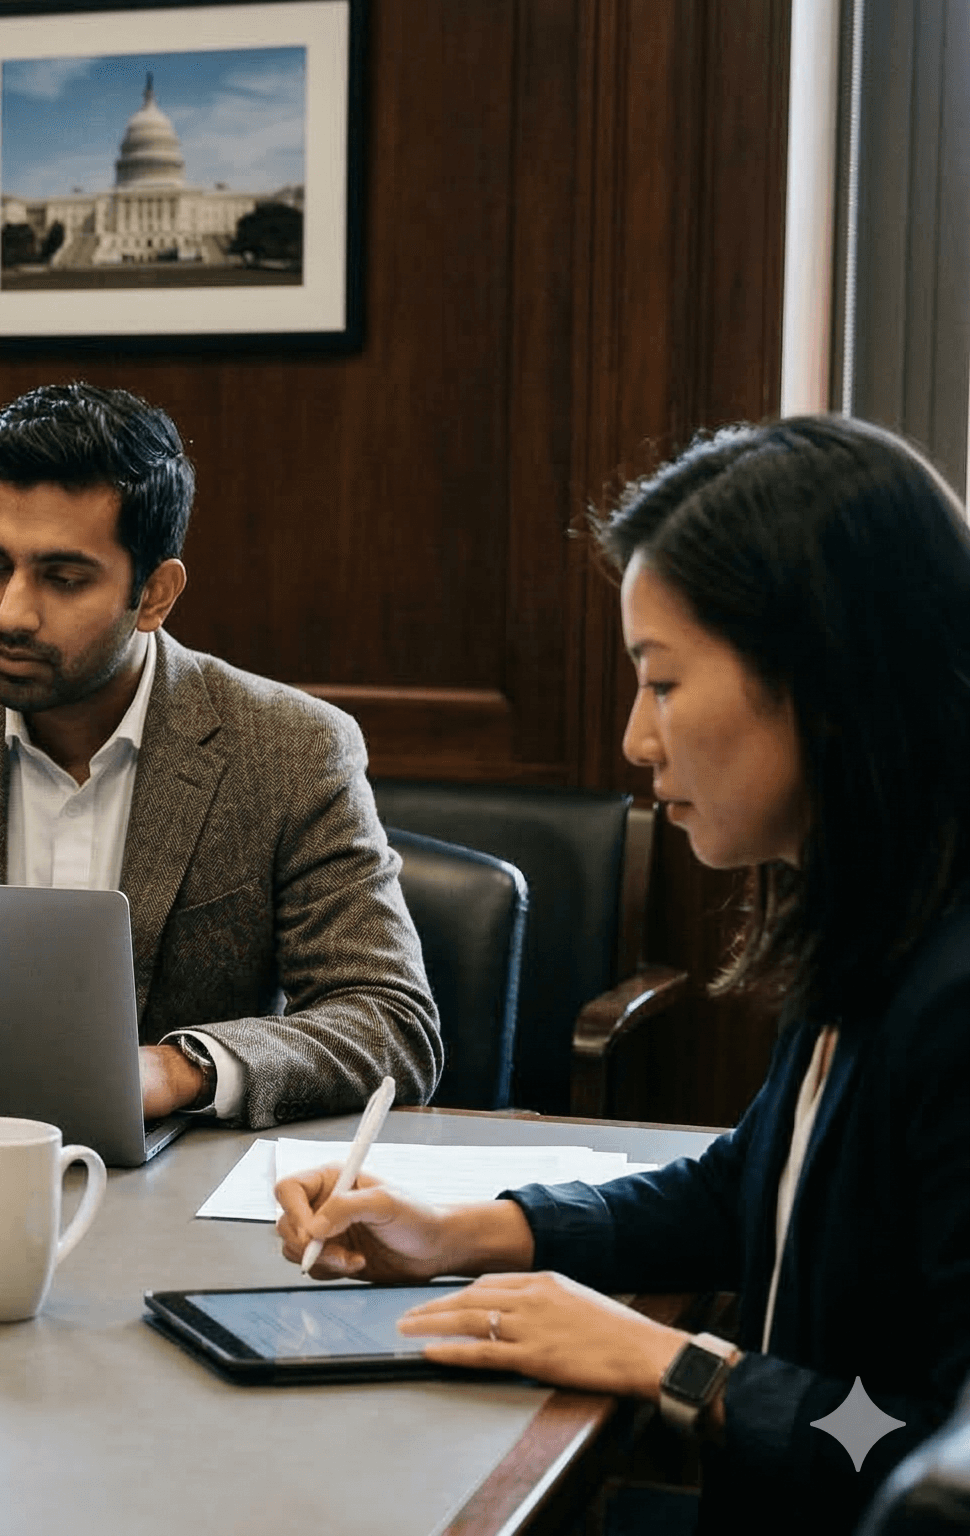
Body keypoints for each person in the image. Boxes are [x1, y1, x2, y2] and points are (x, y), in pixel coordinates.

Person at [276, 415, 970, 1531]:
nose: (632, 742)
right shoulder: (873, 916)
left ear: (826, 681)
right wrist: (462, 1231)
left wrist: (677, 1367)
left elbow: (906, 1442)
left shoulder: (950, 1002)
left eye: (659, 682)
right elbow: (743, 1183)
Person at [0, 382, 439, 1126]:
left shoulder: (290, 750)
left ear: (156, 594)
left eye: (63, 579)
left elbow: (391, 1025)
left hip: (173, 1197)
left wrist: (179, 1068)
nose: (9, 613)